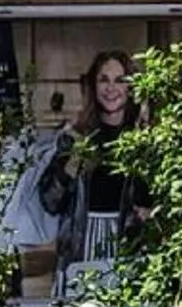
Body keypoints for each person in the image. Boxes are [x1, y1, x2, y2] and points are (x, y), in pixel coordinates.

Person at [41, 50, 147, 266]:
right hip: (80, 249)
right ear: (93, 86)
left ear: (130, 88)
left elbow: (153, 202)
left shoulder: (142, 141)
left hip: (129, 249)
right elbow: (50, 202)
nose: (111, 88)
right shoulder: (74, 138)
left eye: (120, 80)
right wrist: (72, 163)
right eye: (103, 80)